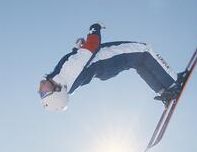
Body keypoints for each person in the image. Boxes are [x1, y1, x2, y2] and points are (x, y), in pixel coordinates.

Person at [38, 23, 186, 111]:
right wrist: (94, 28)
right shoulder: (68, 74)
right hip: (107, 58)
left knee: (139, 63)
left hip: (105, 67)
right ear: (56, 93)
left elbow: (78, 60)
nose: (41, 88)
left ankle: (163, 91)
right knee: (145, 51)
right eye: (44, 93)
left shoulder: (62, 78)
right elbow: (92, 47)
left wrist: (77, 49)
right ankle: (173, 83)